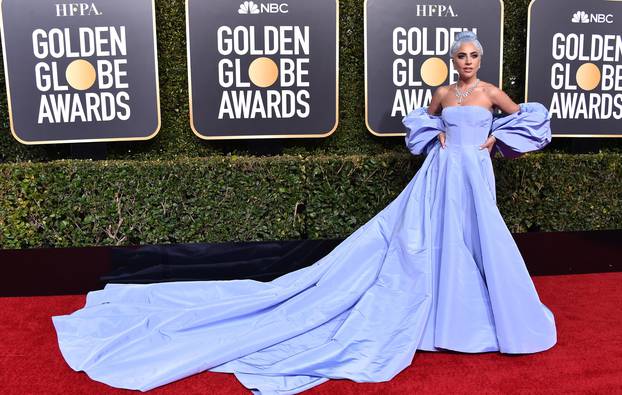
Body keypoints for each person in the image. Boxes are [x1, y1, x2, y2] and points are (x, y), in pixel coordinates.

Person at [52, 31, 556, 394]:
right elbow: (420, 126)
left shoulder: (491, 93)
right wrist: (439, 135)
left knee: (479, 238)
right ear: (452, 60)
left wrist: (495, 137)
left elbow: (530, 118)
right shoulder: (443, 93)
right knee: (433, 242)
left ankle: (475, 317)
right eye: (461, 56)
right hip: (442, 174)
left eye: (473, 56)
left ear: (481, 59)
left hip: (475, 173)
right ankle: (438, 317)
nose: (467, 62)